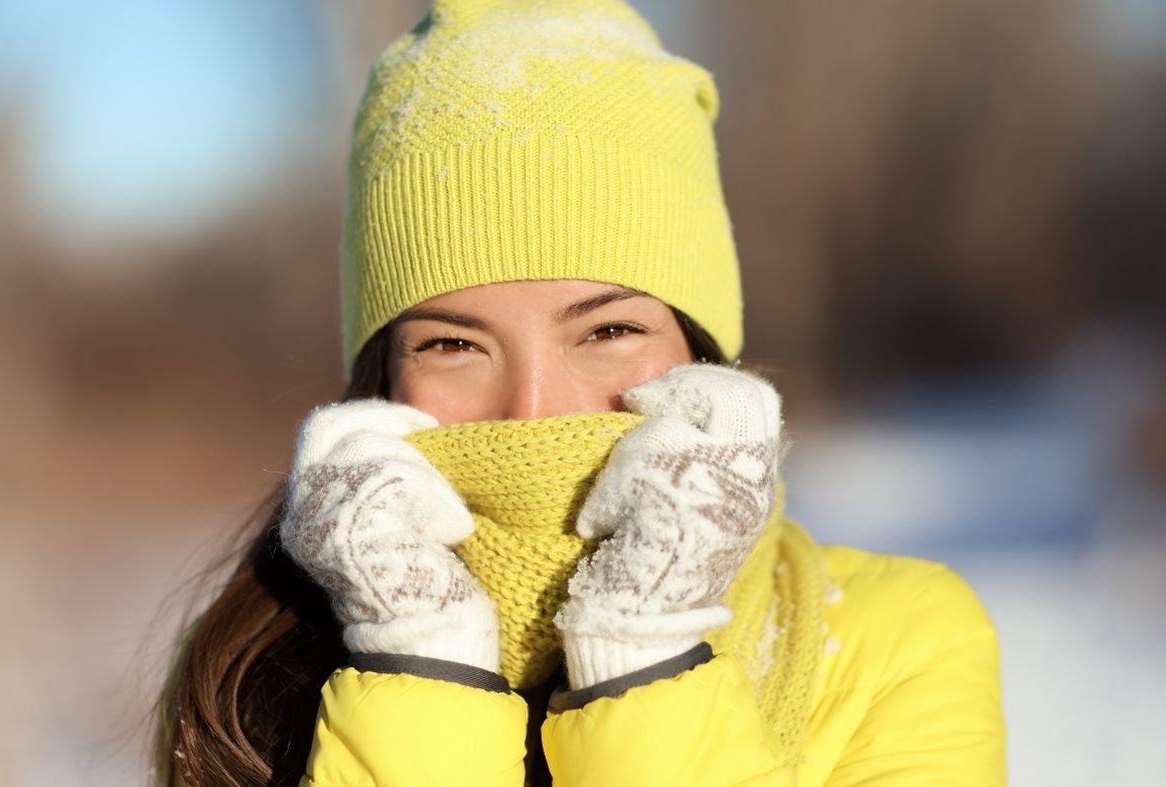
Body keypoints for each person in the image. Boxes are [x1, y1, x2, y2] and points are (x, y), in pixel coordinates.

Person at [155, 1, 1005, 785]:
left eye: (605, 331)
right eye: (454, 343)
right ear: (382, 375)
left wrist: (641, 658)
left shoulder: (900, 639)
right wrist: (415, 660)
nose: (534, 408)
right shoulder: (247, 670)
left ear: (700, 348)